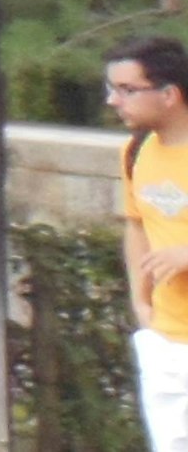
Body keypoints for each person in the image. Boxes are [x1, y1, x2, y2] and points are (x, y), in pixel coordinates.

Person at [114, 36, 188, 452]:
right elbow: (137, 226)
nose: (113, 101)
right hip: (167, 340)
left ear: (170, 94)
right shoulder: (136, 151)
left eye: (127, 90)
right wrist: (141, 303)